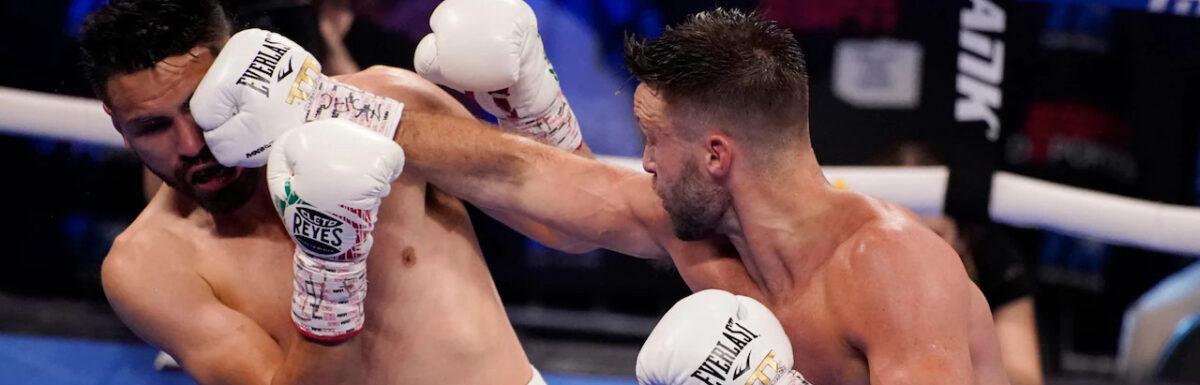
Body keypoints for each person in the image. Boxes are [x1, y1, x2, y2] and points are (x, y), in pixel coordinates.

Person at [397, 3, 1011, 384]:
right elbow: (539, 188)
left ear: (716, 156)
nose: (645, 162)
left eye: (654, 140)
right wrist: (333, 110)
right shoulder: (706, 235)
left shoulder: (894, 269)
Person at [78, 0, 579, 383]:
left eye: (198, 108)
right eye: (151, 128)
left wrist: (535, 102)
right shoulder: (148, 265)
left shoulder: (383, 106)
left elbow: (571, 224)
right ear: (120, 127)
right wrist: (329, 271)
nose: (190, 145)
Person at [872, 141, 1043, 385]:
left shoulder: (992, 261)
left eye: (934, 235)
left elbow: (1025, 380)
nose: (917, 252)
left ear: (961, 237)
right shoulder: (846, 272)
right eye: (902, 235)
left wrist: (959, 354)